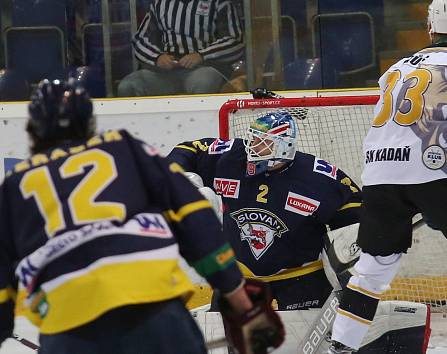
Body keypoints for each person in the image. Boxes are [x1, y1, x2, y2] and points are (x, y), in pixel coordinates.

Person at [0, 79, 283, 354]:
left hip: (68, 331)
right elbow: (196, 219)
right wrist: (240, 300)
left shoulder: (12, 188)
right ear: (90, 123)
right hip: (157, 317)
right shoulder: (124, 147)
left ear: (32, 129)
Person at [327, 1, 447, 353]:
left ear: (429, 28)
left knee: (371, 269)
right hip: (436, 170)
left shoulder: (396, 68)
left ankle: (340, 347)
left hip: (379, 172)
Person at [167, 108, 363, 313]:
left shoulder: (317, 176)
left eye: (263, 143)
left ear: (285, 147)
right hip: (242, 276)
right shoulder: (231, 157)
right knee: (227, 342)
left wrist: (349, 248)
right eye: (253, 139)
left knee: (311, 343)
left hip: (301, 276)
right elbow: (188, 150)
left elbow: (353, 206)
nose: (253, 148)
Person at [117, 0, 243, 97]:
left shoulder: (219, 3)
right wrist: (157, 58)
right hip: (164, 73)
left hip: (204, 68)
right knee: (128, 86)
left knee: (204, 82)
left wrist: (201, 55)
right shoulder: (160, 3)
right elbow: (140, 39)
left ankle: (200, 129)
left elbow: (235, 40)